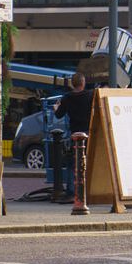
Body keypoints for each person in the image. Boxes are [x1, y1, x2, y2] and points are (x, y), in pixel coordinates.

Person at [52, 71, 95, 204]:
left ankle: (72, 191)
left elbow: (59, 115)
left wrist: (55, 108)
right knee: (89, 161)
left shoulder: (67, 98)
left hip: (75, 133)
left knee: (72, 163)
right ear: (83, 83)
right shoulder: (90, 95)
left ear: (72, 84)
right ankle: (89, 190)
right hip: (89, 132)